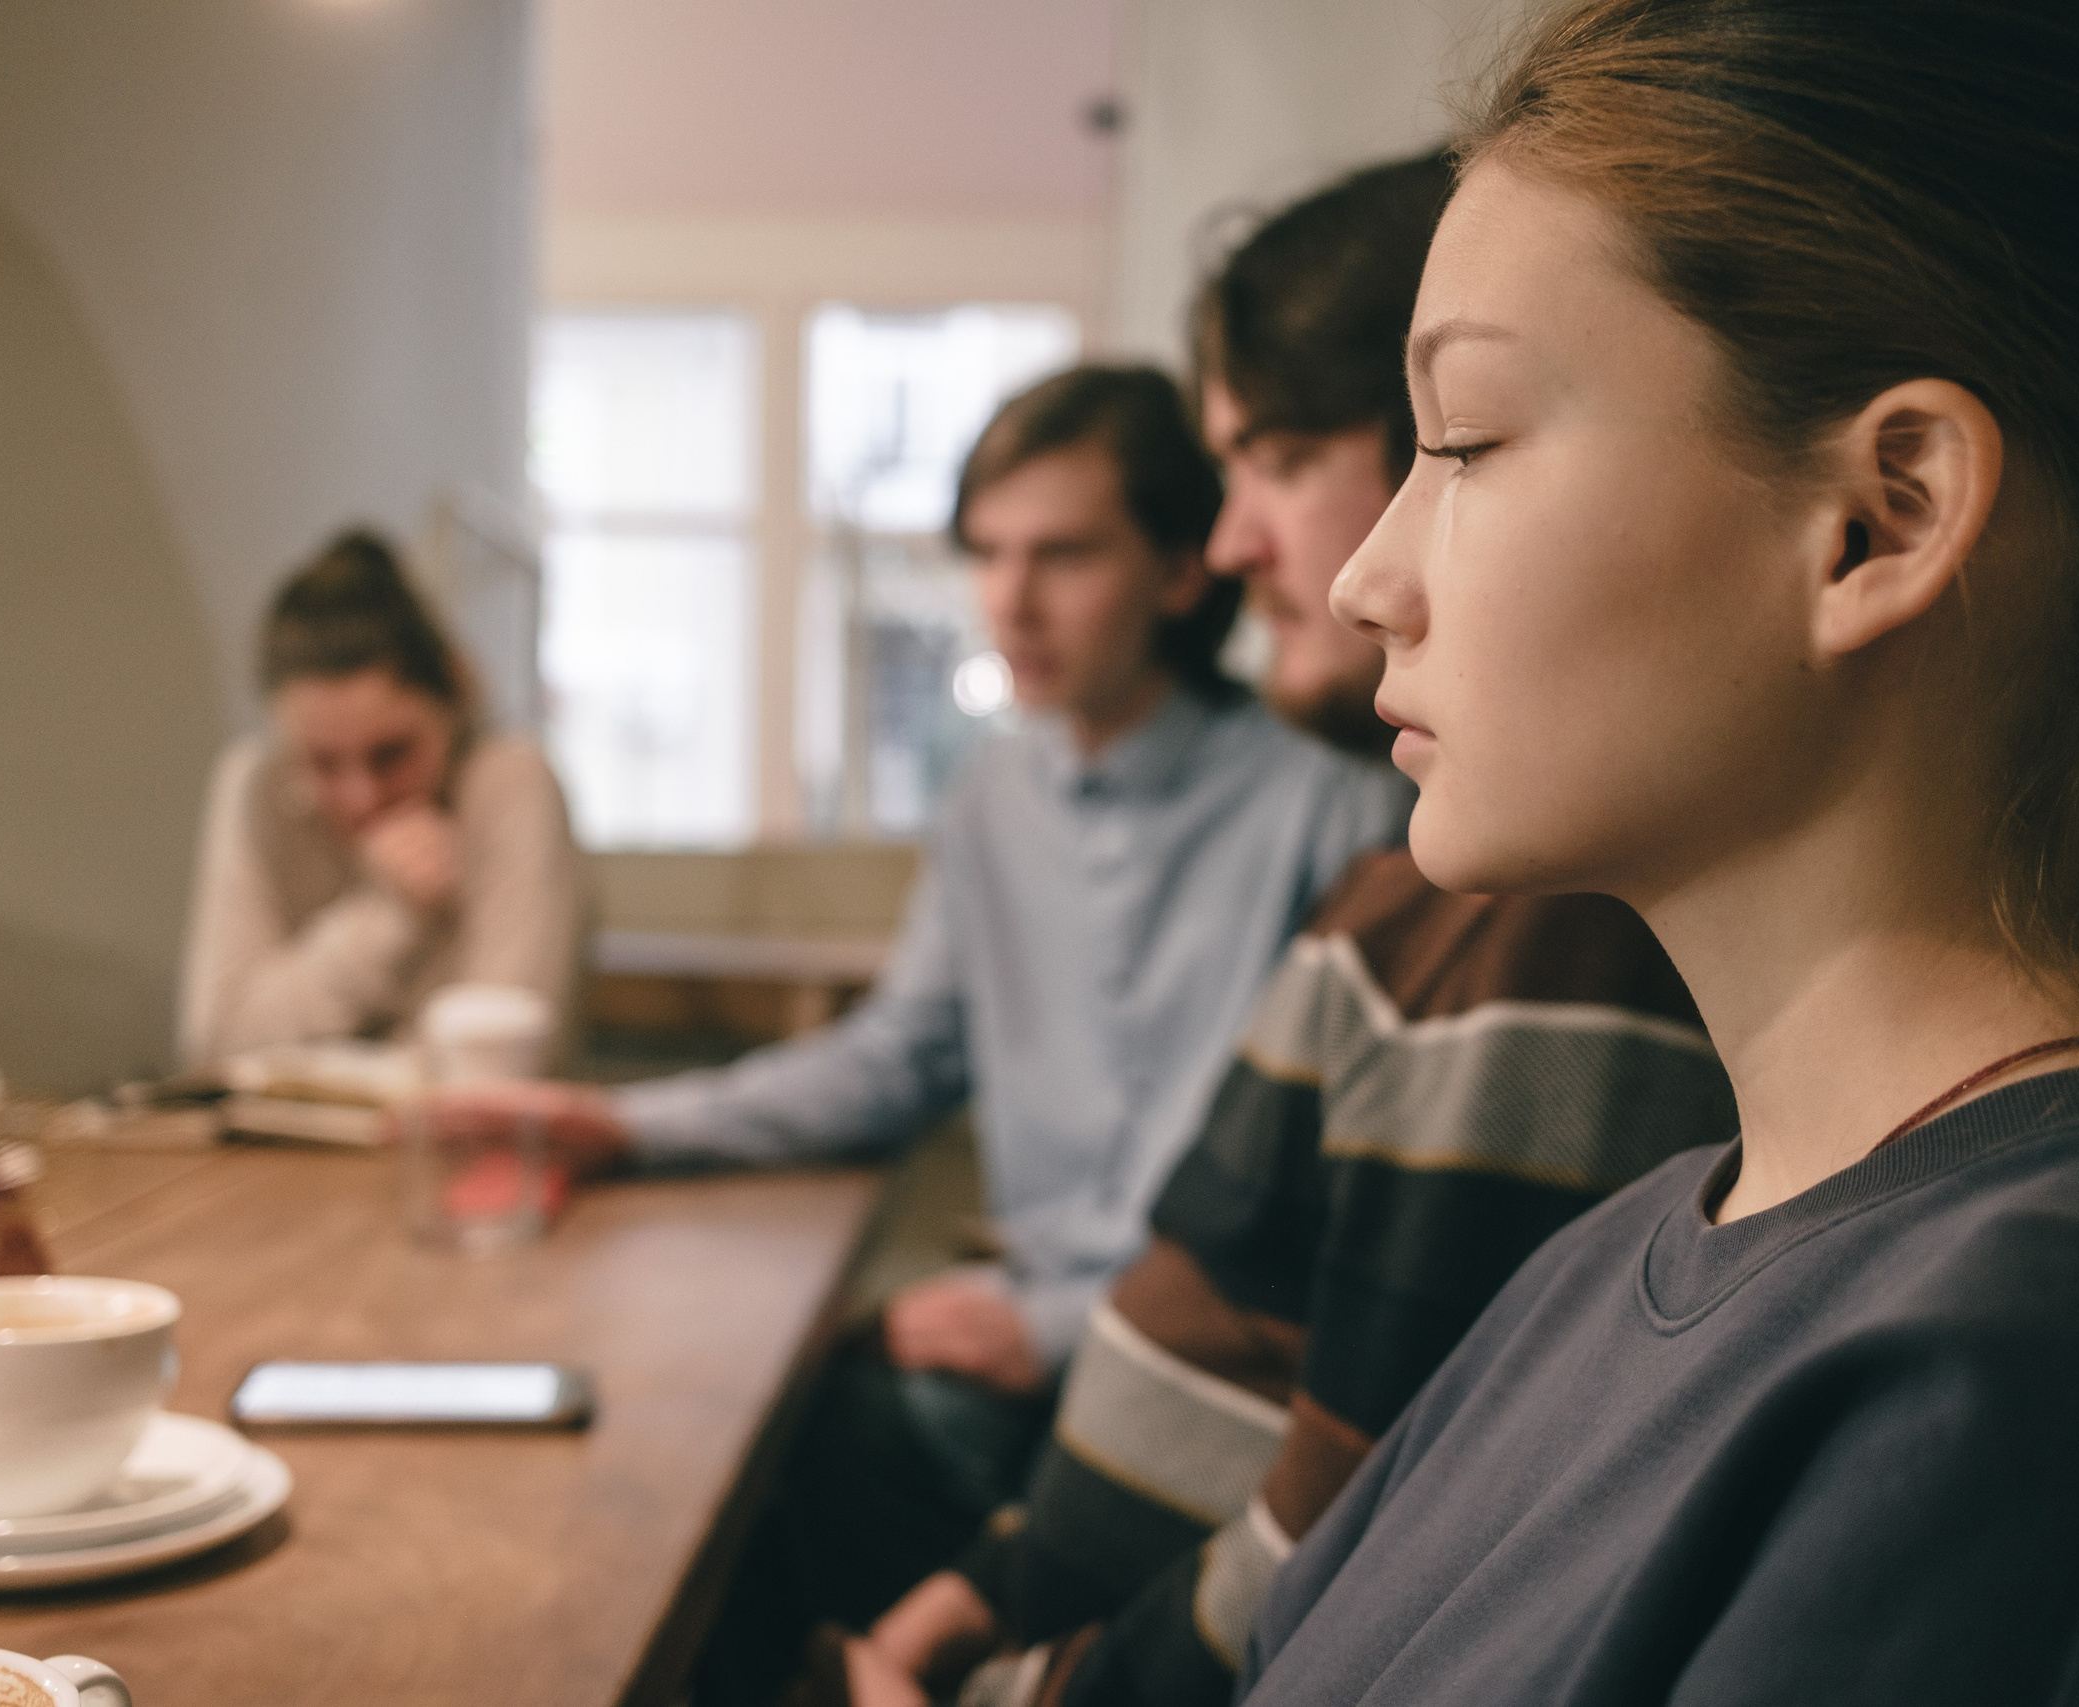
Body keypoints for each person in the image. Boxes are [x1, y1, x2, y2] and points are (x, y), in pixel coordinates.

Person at [1223, 2, 2079, 1702]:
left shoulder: (2061, 1346)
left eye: (1464, 443)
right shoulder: (1606, 1261)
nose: (1363, 580)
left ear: (1882, 517)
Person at [831, 156, 1735, 1707]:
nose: (1262, 547)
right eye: (983, 553)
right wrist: (997, 1580)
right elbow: (1249, 1349)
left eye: (1459, 447)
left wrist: (1013, 1673)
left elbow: (1370, 1534)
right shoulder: (1398, 897)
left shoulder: (1505, 916)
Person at [508, 365, 1409, 1703]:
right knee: (706, 1426)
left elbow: (1322, 1217)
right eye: (986, 554)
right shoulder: (992, 793)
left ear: (1182, 568)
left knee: (782, 1458)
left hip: (1194, 1369)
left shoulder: (1331, 799)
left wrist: (1049, 1325)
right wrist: (622, 1125)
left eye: (1063, 554)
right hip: (1033, 1335)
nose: (1008, 600)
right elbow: (894, 1058)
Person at [178, 529, 587, 1067]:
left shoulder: (510, 782)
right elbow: (217, 1043)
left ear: (457, 696)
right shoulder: (257, 783)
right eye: (322, 763)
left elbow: (501, 1061)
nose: (361, 797)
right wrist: (385, 918)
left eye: (391, 754)